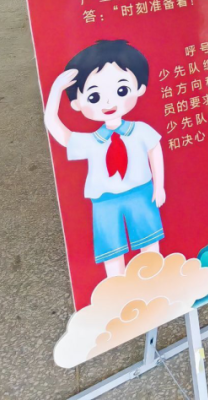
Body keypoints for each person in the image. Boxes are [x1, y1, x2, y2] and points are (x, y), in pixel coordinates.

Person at [44, 40, 166, 280]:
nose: (109, 103)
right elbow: (55, 127)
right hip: (104, 202)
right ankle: (118, 292)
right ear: (78, 104)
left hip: (141, 192)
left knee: (150, 241)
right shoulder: (90, 141)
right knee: (111, 251)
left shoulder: (140, 130)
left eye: (121, 91)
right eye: (95, 96)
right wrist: (55, 91)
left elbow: (155, 150)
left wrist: (159, 186)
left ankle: (154, 282)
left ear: (139, 88)